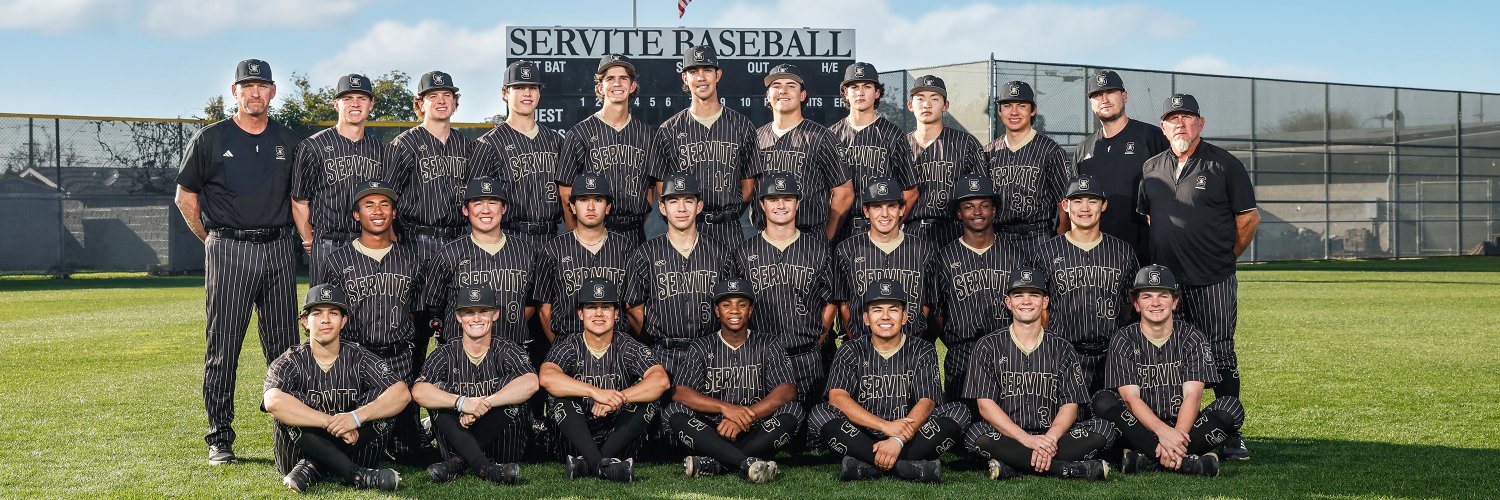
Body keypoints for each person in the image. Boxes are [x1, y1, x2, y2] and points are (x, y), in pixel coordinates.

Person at [175, 59, 302, 465]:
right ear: (235, 92)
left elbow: (300, 198)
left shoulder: (288, 140)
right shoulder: (211, 138)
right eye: (247, 86)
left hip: (278, 248)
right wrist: (211, 240)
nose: (255, 93)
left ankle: (292, 432)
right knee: (224, 346)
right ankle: (220, 437)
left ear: (273, 91)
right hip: (229, 248)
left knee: (286, 347)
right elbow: (185, 197)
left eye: (261, 86)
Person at [1138, 94, 1260, 460]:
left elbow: (1248, 219)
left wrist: (1225, 256)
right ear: (1163, 127)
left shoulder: (1224, 164)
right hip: (1167, 286)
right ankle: (1176, 428)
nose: (1180, 124)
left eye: (1187, 117)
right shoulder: (1151, 167)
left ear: (1200, 123)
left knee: (1220, 352)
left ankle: (1231, 433)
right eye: (1172, 119)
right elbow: (1150, 218)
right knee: (1170, 355)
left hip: (1213, 278)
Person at [391, 70, 503, 385]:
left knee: (456, 331)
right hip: (416, 241)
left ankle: (450, 405)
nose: (441, 101)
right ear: (420, 104)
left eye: (447, 95)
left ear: (455, 103)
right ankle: (407, 413)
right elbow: (389, 201)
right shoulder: (404, 144)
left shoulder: (468, 147)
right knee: (412, 335)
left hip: (457, 243)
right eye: (433, 96)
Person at [807, 279, 970, 483]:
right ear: (866, 318)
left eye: (893, 310)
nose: (885, 316)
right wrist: (885, 426)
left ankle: (867, 466)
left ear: (904, 317)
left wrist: (897, 439)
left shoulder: (923, 349)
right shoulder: (850, 350)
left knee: (960, 412)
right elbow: (837, 398)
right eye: (877, 310)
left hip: (909, 436)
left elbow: (927, 401)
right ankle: (907, 467)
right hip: (862, 434)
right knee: (819, 414)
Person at [1090, 265, 1245, 476]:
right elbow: (1130, 399)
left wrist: (1176, 434)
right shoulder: (1123, 338)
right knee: (1102, 401)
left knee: (1232, 407)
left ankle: (1146, 460)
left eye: (1163, 295)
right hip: (1139, 428)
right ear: (1136, 304)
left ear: (1175, 302)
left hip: (1184, 428)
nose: (1155, 303)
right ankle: (1187, 462)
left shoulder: (1193, 338)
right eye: (1147, 296)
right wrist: (1162, 432)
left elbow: (1193, 395)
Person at [311, 180, 428, 461]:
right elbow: (324, 315)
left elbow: (415, 311)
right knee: (356, 444)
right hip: (355, 359)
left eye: (384, 204)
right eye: (369, 205)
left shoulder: (412, 259)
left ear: (394, 213)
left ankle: (415, 430)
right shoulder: (337, 261)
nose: (378, 211)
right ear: (356, 214)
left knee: (407, 452)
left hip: (398, 360)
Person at [962, 268, 1112, 481]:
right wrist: (1027, 440)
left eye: (1034, 295)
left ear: (1045, 302)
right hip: (1009, 436)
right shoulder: (987, 346)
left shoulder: (1062, 347)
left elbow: (1070, 405)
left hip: (1054, 437)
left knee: (1104, 430)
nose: (1026, 301)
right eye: (1018, 295)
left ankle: (1015, 466)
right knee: (975, 436)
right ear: (1008, 302)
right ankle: (1062, 469)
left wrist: (1049, 438)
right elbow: (985, 406)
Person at [264, 284, 410, 493]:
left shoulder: (359, 356)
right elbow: (273, 402)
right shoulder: (289, 360)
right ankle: (357, 474)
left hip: (354, 449)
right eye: (317, 313)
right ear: (305, 321)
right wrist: (330, 422)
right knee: (289, 403)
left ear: (343, 321)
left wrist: (355, 418)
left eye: (333, 313)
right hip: (296, 457)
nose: (325, 319)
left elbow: (401, 393)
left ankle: (312, 467)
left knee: (383, 399)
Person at [665, 278, 799, 483]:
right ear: (717, 311)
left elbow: (787, 390)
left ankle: (717, 463)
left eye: (741, 305)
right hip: (712, 429)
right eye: (726, 305)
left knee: (794, 410)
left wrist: (746, 416)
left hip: (756, 427)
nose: (734, 310)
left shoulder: (768, 343)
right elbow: (681, 392)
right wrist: (725, 408)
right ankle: (747, 462)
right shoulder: (701, 346)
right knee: (673, 411)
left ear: (750, 310)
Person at [725, 172, 838, 410]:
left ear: (798, 203)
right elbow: (735, 305)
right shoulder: (744, 252)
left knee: (809, 425)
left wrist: (818, 338)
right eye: (773, 199)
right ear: (762, 205)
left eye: (787, 199)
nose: (781, 205)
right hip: (760, 357)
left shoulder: (819, 249)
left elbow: (831, 300)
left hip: (806, 357)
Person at [540, 278, 671, 482]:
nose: (599, 313)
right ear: (581, 314)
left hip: (617, 439)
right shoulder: (569, 345)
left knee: (649, 400)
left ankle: (588, 464)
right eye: (592, 307)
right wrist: (594, 391)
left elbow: (661, 380)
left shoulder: (627, 345)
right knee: (559, 397)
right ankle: (603, 465)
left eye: (606, 307)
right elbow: (547, 376)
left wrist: (618, 398)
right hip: (574, 442)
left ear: (616, 313)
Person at [412, 286, 537, 485]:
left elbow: (531, 382)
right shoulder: (445, 352)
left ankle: (459, 462)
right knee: (437, 393)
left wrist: (484, 404)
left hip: (503, 447)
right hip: (458, 437)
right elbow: (419, 391)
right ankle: (486, 468)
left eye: (483, 311)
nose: (476, 318)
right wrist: (461, 403)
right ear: (458, 317)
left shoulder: (508, 349)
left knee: (513, 389)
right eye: (469, 312)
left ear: (495, 314)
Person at [1034, 174, 1140, 394]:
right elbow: (1040, 308)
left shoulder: (1122, 251)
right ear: (1065, 205)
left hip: (1112, 355)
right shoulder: (1047, 251)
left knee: (1112, 412)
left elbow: (1129, 305)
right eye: (1077, 201)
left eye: (1092, 201)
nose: (1085, 208)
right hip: (1064, 354)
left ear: (1104, 205)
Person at [929, 174, 1031, 400]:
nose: (977, 212)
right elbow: (938, 314)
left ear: (994, 210)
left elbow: (1028, 307)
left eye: (984, 205)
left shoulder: (1016, 256)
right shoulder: (945, 257)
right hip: (961, 354)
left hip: (1008, 350)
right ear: (959, 213)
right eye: (968, 206)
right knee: (962, 415)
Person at [292, 74, 397, 284]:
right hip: (328, 242)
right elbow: (300, 200)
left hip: (368, 242)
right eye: (347, 98)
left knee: (368, 303)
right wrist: (309, 238)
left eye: (362, 98)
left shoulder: (381, 150)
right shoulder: (313, 146)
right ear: (336, 104)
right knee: (325, 303)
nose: (355, 104)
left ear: (371, 105)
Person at [624, 173, 732, 377]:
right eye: (673, 201)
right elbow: (633, 309)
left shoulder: (720, 253)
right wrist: (653, 341)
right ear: (662, 207)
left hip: (711, 354)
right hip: (662, 356)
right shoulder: (645, 254)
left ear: (699, 206)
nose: (681, 208)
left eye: (688, 201)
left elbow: (730, 306)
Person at [652, 45, 760, 243]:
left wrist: (727, 213)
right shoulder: (668, 130)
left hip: (729, 229)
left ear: (718, 75)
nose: (701, 77)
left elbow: (748, 188)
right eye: (693, 71)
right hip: (686, 230)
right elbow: (662, 189)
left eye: (707, 70)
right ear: (685, 78)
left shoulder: (742, 126)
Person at [424, 177, 542, 349]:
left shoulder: (525, 251)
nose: (486, 210)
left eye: (493, 202)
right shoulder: (448, 253)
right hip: (459, 352)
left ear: (504, 208)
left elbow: (532, 302)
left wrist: (507, 327)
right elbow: (435, 306)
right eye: (477, 203)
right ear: (465, 210)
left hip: (512, 350)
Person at [555, 54, 659, 248]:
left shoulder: (647, 135)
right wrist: (579, 239)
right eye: (610, 78)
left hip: (634, 233)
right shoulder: (579, 134)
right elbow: (565, 194)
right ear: (600, 87)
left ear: (632, 86)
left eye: (623, 78)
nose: (617, 83)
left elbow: (649, 193)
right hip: (593, 234)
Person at [1072, 70, 1170, 264]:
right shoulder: (1084, 148)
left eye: (1110, 92)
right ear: (1091, 103)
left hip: (1146, 253)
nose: (1104, 99)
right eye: (1097, 95)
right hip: (1097, 256)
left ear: (1124, 96)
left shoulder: (1152, 137)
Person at [747, 63, 853, 240]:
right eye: (776, 85)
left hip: (809, 236)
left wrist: (826, 237)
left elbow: (844, 192)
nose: (783, 91)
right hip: (765, 239)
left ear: (802, 95)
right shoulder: (755, 138)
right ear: (768, 95)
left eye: (791, 86)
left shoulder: (822, 137)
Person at [833, 177, 935, 340]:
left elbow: (927, 301)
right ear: (866, 211)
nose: (885, 214)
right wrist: (857, 341)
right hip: (863, 345)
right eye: (877, 207)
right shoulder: (846, 249)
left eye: (892, 206)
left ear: (902, 209)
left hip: (910, 345)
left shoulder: (923, 249)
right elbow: (844, 303)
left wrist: (914, 338)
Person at [478, 61, 566, 250]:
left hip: (552, 238)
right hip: (508, 238)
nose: (527, 93)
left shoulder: (555, 141)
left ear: (539, 93)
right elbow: (476, 203)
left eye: (533, 87)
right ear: (505, 93)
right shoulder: (488, 144)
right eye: (519, 87)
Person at [828, 62, 917, 240]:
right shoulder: (831, 135)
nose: (860, 92)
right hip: (840, 228)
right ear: (845, 93)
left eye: (867, 86)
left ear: (877, 93)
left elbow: (910, 190)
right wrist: (828, 234)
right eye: (854, 87)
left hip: (881, 228)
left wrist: (892, 227)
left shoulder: (892, 134)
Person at [983, 81, 1070, 254]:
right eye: (1007, 105)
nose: (1014, 112)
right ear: (999, 111)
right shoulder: (988, 152)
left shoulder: (1051, 150)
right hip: (999, 237)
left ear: (1033, 110)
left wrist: (1059, 237)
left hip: (1039, 236)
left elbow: (1065, 204)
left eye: (1022, 105)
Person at [905, 75, 985, 246]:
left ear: (946, 106)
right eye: (920, 98)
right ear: (910, 105)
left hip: (955, 231)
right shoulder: (899, 146)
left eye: (934, 99)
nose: (927, 104)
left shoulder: (965, 143)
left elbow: (981, 195)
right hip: (910, 232)